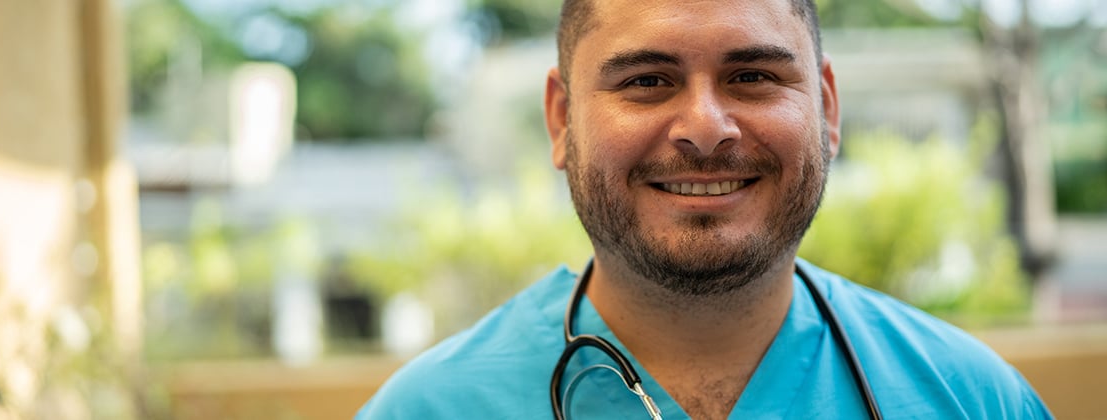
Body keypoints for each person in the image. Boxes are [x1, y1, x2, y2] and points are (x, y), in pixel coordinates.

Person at [359, 0, 1052, 418]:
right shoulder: (428, 410)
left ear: (828, 109)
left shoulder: (975, 400)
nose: (706, 126)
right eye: (647, 81)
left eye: (752, 76)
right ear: (562, 120)